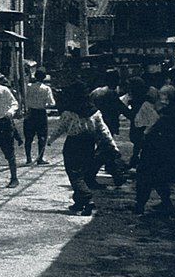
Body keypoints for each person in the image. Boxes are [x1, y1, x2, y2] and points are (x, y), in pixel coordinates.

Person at [48, 79, 122, 216]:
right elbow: (104, 130)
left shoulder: (68, 112)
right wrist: (113, 145)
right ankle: (79, 203)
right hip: (89, 144)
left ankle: (87, 199)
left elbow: (60, 129)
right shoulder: (95, 112)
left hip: (73, 143)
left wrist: (50, 140)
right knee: (82, 173)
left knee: (74, 173)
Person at [23, 66, 56, 165]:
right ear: (44, 77)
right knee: (42, 136)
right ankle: (40, 158)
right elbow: (52, 103)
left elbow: (24, 99)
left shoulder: (28, 86)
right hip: (41, 113)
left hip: (30, 113)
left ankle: (28, 158)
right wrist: (44, 104)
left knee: (28, 137)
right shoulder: (46, 89)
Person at [89, 68, 132, 136]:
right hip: (107, 124)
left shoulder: (95, 92)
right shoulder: (111, 93)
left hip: (94, 123)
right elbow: (122, 108)